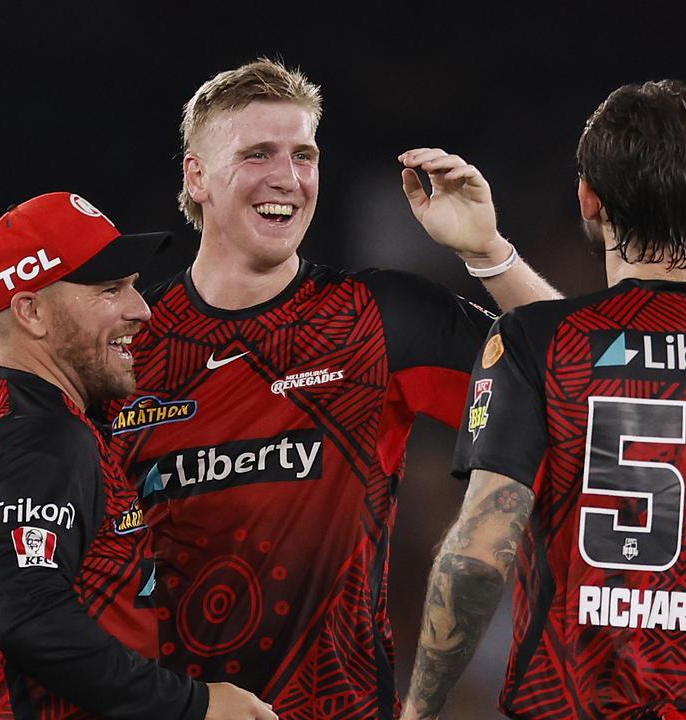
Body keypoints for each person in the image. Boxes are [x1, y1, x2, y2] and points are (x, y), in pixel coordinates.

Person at [106, 59, 561, 719]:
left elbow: (575, 385)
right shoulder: (122, 343)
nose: (287, 179)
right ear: (196, 176)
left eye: (303, 155)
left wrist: (489, 252)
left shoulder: (378, 317)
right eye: (257, 153)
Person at [401, 80, 686, 720]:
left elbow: (476, 557)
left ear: (588, 199)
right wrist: (489, 255)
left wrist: (417, 710)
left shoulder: (537, 344)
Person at [0, 192, 275, 720]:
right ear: (31, 312)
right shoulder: (42, 437)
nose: (140, 309)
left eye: (132, 287)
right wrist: (196, 706)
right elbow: (26, 615)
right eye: (108, 290)